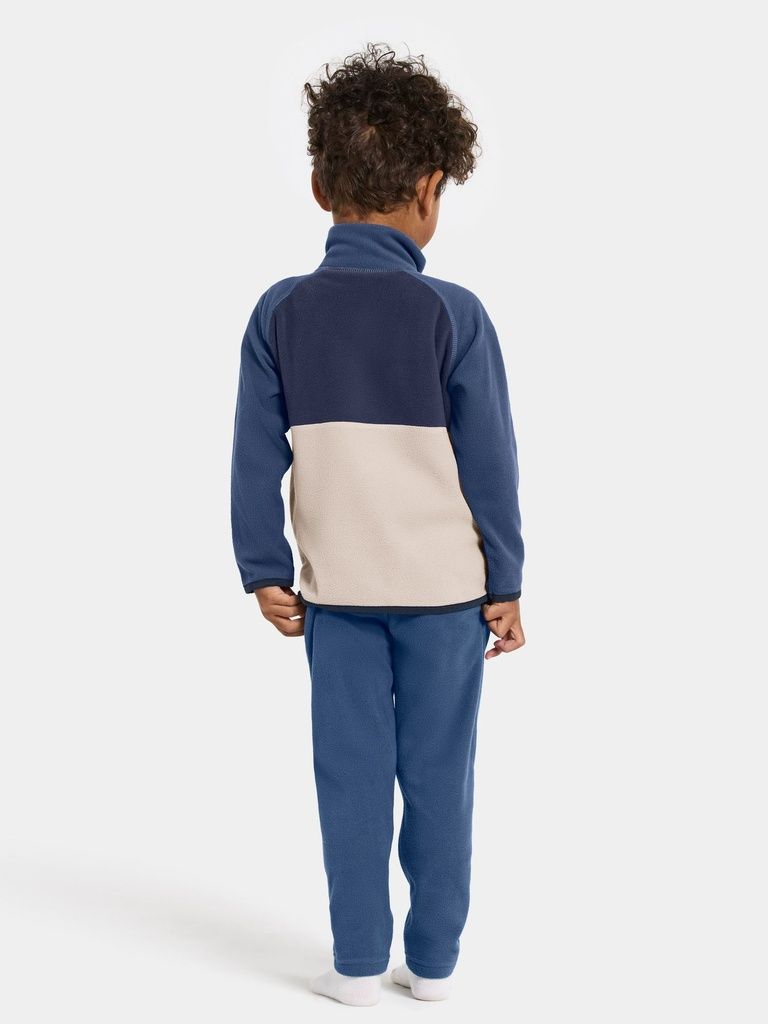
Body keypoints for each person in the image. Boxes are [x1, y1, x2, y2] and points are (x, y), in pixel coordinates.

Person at [231, 43, 526, 1007]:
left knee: (349, 779)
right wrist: (506, 582)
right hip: (447, 600)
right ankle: (432, 966)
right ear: (431, 190)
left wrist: (262, 565)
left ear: (321, 188)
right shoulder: (456, 315)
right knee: (442, 779)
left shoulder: (280, 313)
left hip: (339, 599)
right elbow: (491, 467)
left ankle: (357, 964)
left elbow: (254, 455)